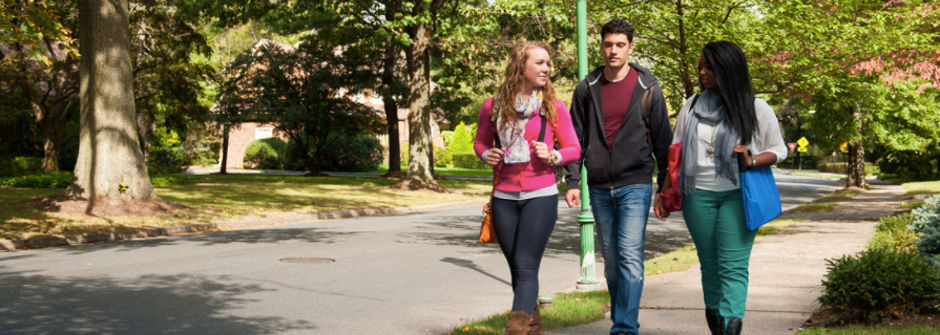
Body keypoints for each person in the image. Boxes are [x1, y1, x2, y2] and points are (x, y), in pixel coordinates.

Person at [654, 41, 787, 335]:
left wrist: (752, 160)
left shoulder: (755, 107)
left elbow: (779, 149)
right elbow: (676, 152)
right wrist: (663, 193)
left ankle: (730, 323)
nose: (701, 72)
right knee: (710, 266)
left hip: (738, 196)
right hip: (696, 195)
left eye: (708, 67)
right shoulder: (691, 106)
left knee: (733, 266)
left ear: (726, 70)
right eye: (700, 66)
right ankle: (718, 325)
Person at [562, 19, 673, 335]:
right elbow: (575, 138)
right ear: (601, 46)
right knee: (611, 261)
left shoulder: (648, 88)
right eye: (608, 44)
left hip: (635, 183)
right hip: (598, 186)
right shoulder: (587, 88)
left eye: (620, 45)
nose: (613, 50)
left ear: (630, 48)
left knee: (629, 256)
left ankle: (625, 327)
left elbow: (663, 139)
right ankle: (621, 319)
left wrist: (665, 186)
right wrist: (572, 181)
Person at [473, 40, 581, 335]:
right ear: (521, 66)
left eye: (548, 63)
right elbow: (480, 141)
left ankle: (516, 331)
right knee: (518, 269)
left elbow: (574, 148)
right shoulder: (493, 107)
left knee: (524, 264)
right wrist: (486, 154)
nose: (547, 68)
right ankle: (533, 329)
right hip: (504, 197)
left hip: (541, 195)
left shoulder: (553, 108)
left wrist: (554, 154)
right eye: (540, 63)